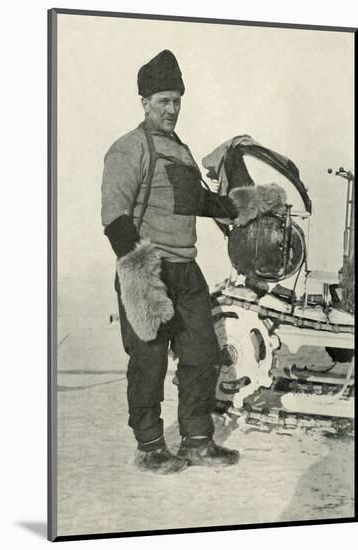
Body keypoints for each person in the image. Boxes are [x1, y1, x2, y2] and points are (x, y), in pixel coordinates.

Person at [101, 50, 240, 474]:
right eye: (164, 100)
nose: (172, 109)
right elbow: (114, 216)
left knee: (203, 354)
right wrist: (141, 279)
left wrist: (245, 207)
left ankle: (197, 440)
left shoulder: (180, 151)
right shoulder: (128, 149)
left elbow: (199, 201)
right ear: (145, 102)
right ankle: (150, 447)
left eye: (177, 100)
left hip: (186, 269)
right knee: (149, 362)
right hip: (148, 269)